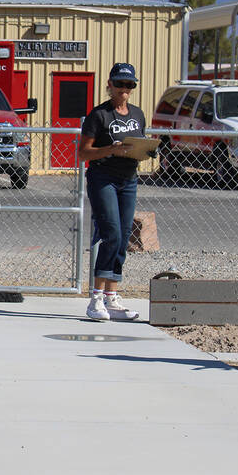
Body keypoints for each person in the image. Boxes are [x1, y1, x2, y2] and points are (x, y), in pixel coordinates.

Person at [78, 62, 147, 322]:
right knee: (111, 234)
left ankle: (112, 297)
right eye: (119, 84)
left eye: (129, 85)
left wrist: (146, 150)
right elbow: (83, 153)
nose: (124, 90)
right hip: (103, 177)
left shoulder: (137, 115)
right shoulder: (99, 115)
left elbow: (139, 142)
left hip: (128, 179)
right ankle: (95, 298)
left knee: (124, 236)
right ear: (110, 85)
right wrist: (111, 150)